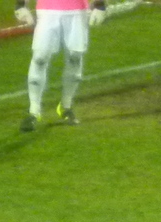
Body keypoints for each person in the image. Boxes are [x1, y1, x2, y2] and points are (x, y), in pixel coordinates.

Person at [16, 0, 107, 131]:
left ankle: (66, 106)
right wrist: (20, 5)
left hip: (78, 11)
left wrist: (100, 5)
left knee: (75, 57)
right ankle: (33, 111)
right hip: (47, 10)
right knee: (40, 57)